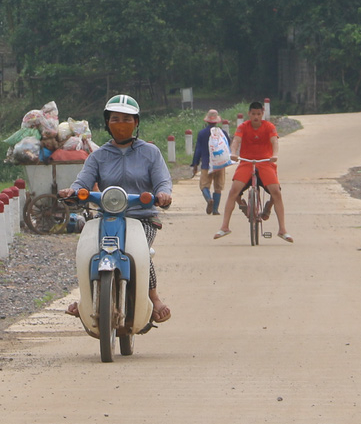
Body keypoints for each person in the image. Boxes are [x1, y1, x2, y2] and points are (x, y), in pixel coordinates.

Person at [61, 93, 174, 322]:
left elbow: (162, 181)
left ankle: (153, 297)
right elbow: (83, 181)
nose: (120, 124)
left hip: (142, 218)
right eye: (115, 119)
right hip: (107, 217)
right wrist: (72, 192)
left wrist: (163, 194)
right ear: (106, 123)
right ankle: (86, 298)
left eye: (126, 119)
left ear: (137, 122)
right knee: (89, 251)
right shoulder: (98, 156)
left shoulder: (150, 152)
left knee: (139, 250)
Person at [218, 99, 291, 242]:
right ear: (249, 114)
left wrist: (274, 155)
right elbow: (236, 141)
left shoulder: (269, 126)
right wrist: (233, 153)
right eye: (253, 114)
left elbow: (274, 142)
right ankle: (225, 226)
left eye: (258, 114)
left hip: (265, 162)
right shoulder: (243, 127)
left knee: (276, 191)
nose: (256, 117)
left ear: (262, 113)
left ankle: (282, 229)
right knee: (234, 191)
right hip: (246, 162)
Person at [191, 109, 232, 215]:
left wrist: (195, 164)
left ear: (207, 121)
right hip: (220, 164)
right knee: (218, 187)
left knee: (204, 186)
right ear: (217, 121)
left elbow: (198, 150)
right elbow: (228, 146)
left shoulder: (202, 133)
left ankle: (209, 199)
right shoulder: (222, 133)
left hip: (206, 164)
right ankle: (215, 210)